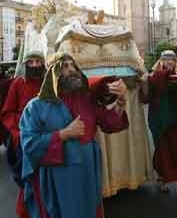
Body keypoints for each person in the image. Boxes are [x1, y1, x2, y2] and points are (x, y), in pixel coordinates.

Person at [19, 53, 128, 218]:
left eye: (73, 65)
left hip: (88, 170)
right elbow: (29, 144)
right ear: (53, 73)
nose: (72, 70)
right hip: (59, 177)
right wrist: (63, 135)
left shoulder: (87, 99)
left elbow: (109, 123)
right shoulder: (35, 106)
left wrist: (120, 102)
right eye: (65, 66)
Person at [0, 51, 45, 218]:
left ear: (43, 64)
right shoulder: (18, 83)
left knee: (43, 180)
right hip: (22, 138)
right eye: (31, 61)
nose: (34, 65)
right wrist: (16, 133)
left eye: (37, 61)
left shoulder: (48, 83)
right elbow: (7, 112)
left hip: (43, 138)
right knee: (25, 180)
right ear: (25, 64)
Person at [144, 50, 177, 192]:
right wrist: (144, 83)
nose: (170, 62)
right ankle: (162, 179)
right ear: (161, 61)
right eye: (166, 59)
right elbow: (145, 97)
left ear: (176, 61)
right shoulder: (153, 77)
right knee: (162, 151)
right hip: (159, 120)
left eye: (172, 59)